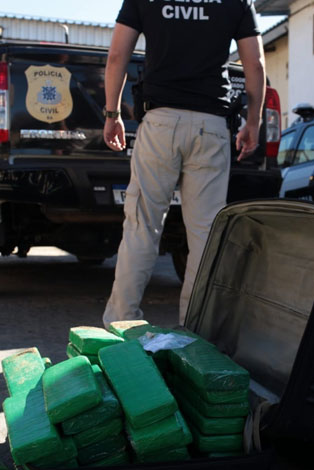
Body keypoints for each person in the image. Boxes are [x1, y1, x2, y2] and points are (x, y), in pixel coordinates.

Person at [101, 0, 266, 327]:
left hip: (160, 122)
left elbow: (118, 55)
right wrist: (254, 122)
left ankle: (121, 324)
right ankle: (195, 331)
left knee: (142, 224)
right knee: (205, 234)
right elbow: (256, 64)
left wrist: (112, 114)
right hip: (211, 126)